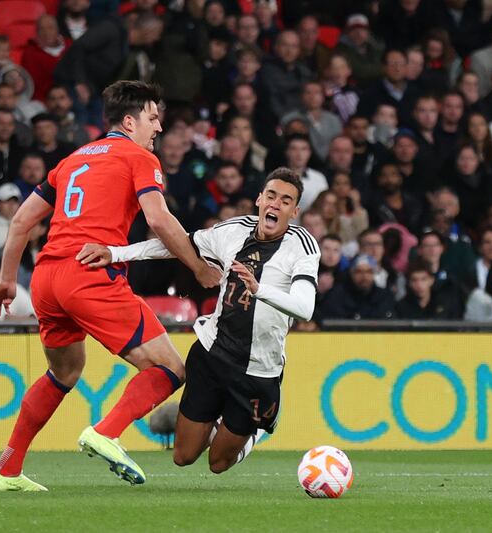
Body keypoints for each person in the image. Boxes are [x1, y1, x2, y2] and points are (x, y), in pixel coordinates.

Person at [0, 81, 221, 491]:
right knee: (169, 367)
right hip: (88, 273)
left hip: (45, 277)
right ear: (129, 122)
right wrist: (199, 268)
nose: (158, 127)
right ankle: (107, 431)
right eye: (152, 118)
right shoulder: (138, 157)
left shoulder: (72, 159)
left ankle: (5, 469)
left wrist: (7, 278)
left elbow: (21, 222)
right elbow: (160, 220)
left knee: (65, 370)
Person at [78, 168, 319, 474]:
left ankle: (256, 428)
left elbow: (304, 307)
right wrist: (116, 253)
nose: (276, 204)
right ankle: (214, 417)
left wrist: (260, 290)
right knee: (183, 456)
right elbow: (176, 245)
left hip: (259, 370)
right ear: (259, 199)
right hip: (212, 355)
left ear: (294, 211)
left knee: (218, 463)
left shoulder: (303, 246)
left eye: (286, 201)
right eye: (271, 195)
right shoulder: (232, 231)